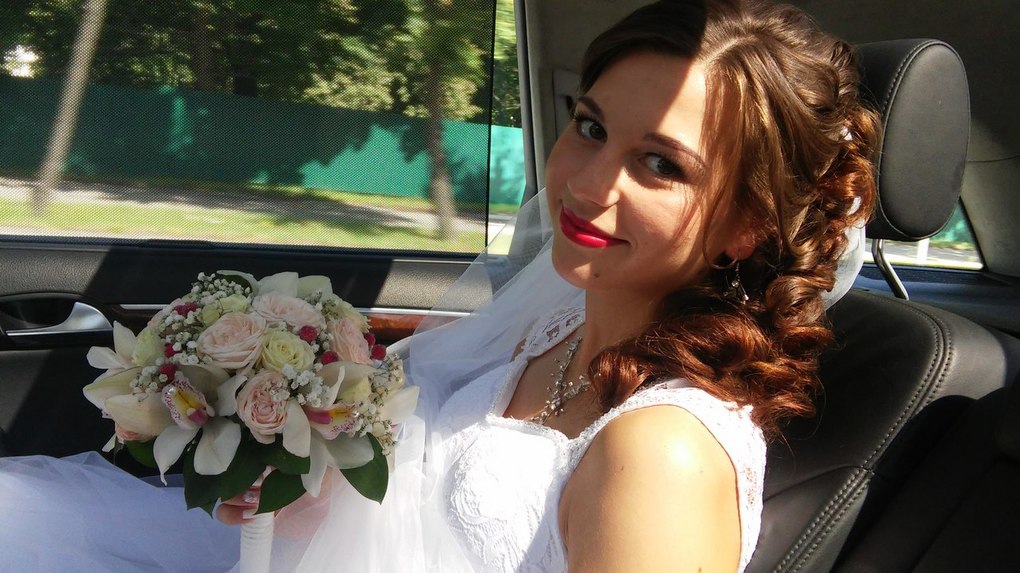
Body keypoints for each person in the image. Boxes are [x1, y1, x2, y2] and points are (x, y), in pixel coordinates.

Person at [0, 0, 877, 571]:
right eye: (590, 126)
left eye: (659, 165)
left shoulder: (663, 452)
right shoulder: (556, 323)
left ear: (746, 224)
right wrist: (299, 483)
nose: (586, 184)